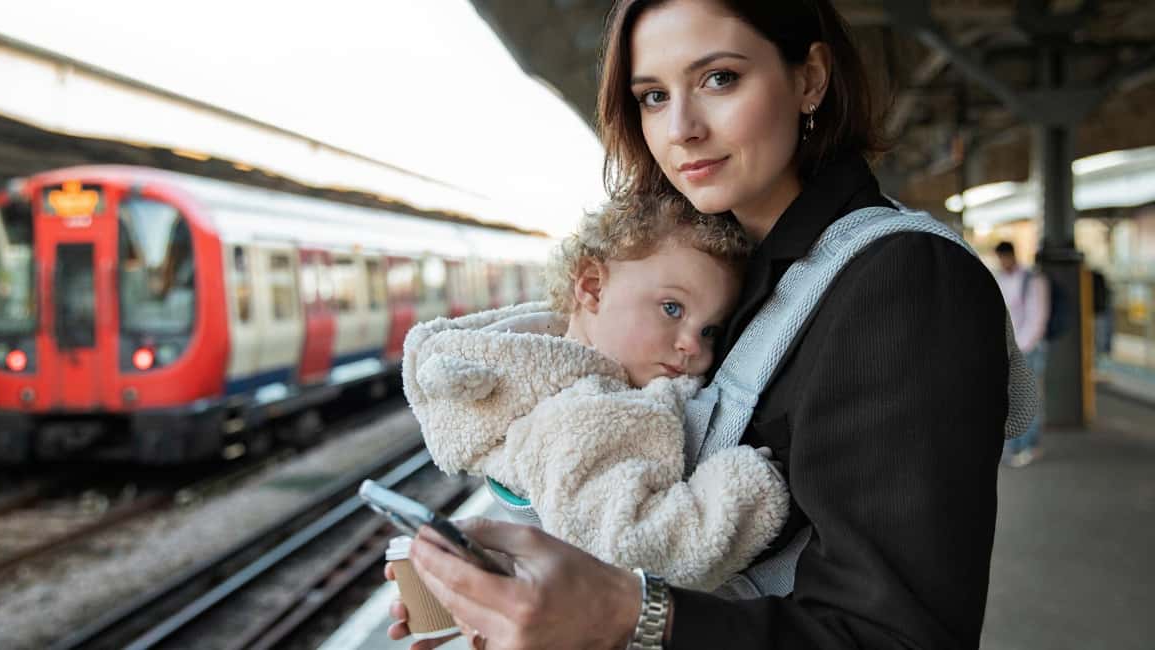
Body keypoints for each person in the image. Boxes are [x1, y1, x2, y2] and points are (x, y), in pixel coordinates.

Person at [388, 1, 1033, 648]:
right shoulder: (720, 275)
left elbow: (900, 636)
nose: (682, 128)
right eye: (651, 96)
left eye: (719, 78)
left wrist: (625, 613)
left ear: (810, 78)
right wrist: (522, 589)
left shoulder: (903, 279)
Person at [401, 194, 788, 591]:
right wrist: (746, 490)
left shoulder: (541, 376)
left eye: (710, 331)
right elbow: (633, 548)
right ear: (592, 287)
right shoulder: (588, 413)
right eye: (672, 308)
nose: (694, 346)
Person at [994, 240, 1050, 468]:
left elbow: (1038, 318)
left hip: (1028, 349)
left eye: (1004, 257)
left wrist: (1022, 347)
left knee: (1028, 398)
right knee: (1011, 399)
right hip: (1009, 348)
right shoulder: (1000, 278)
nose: (1002, 262)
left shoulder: (1033, 279)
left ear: (1012, 255)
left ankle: (1029, 446)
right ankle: (1015, 447)